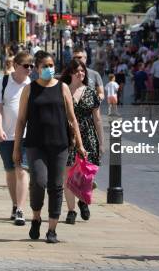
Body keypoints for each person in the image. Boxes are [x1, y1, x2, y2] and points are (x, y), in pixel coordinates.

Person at [12, 52, 86, 243]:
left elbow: (72, 118)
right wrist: (16, 147)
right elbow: (21, 120)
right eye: (44, 66)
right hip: (36, 145)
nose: (49, 69)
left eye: (51, 65)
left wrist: (79, 143)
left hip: (60, 145)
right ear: (37, 68)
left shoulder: (62, 88)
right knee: (38, 181)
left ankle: (52, 229)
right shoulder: (30, 89)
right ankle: (36, 217)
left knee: (56, 186)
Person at [60, 60, 104, 224]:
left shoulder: (91, 92)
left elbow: (97, 119)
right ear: (70, 73)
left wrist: (101, 142)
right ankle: (71, 211)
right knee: (68, 174)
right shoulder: (62, 90)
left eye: (83, 71)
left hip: (88, 135)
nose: (81, 73)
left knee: (87, 175)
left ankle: (83, 201)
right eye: (77, 71)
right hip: (68, 136)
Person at [0, 51, 32, 226]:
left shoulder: (32, 84)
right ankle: (15, 204)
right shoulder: (3, 82)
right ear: (15, 66)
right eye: (26, 66)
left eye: (31, 66)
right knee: (10, 172)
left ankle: (21, 210)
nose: (29, 69)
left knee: (22, 170)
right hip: (6, 135)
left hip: (27, 135)